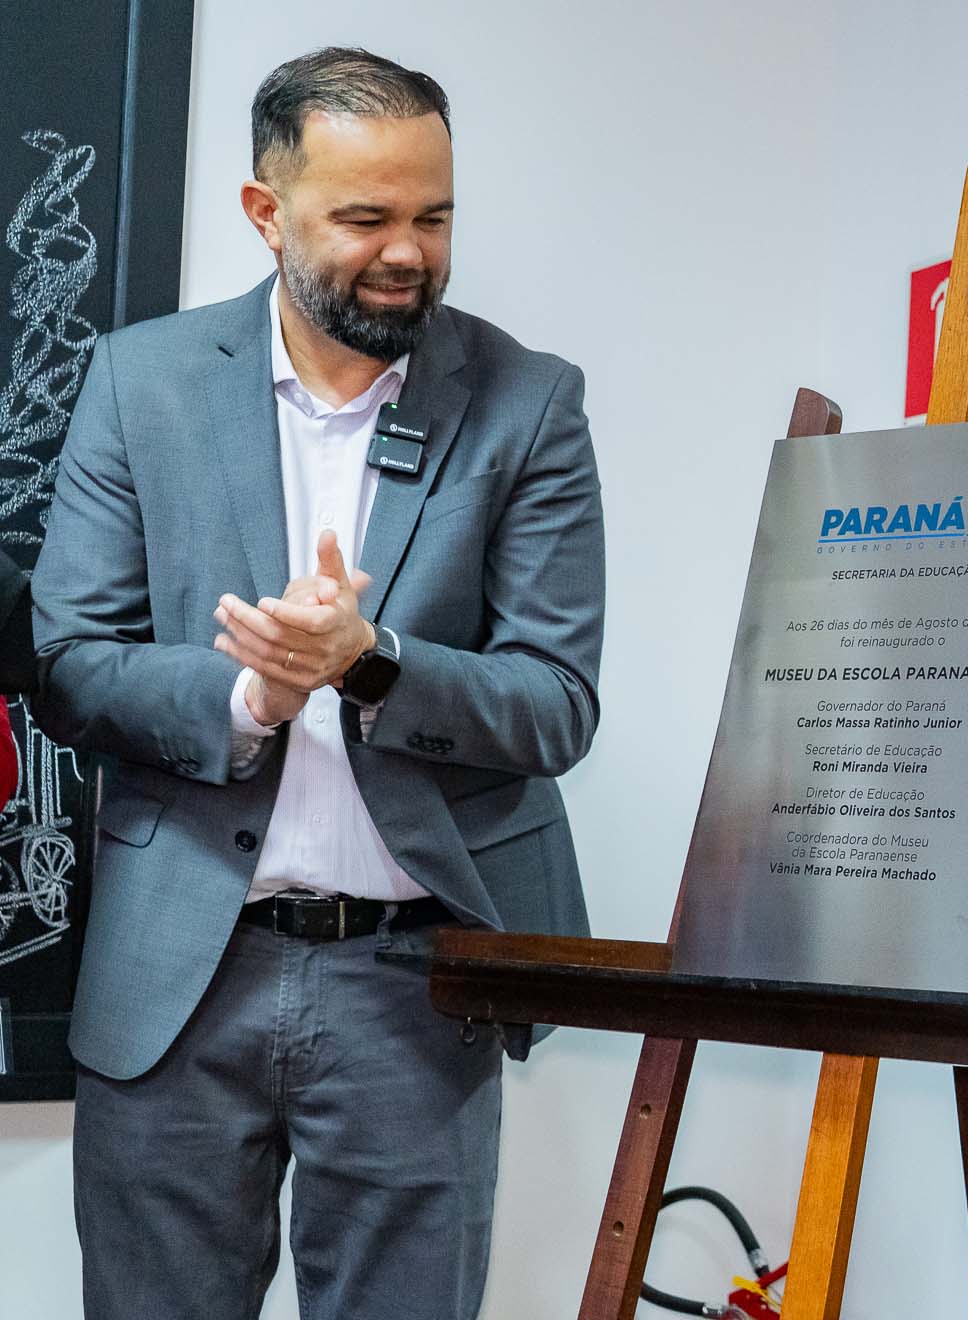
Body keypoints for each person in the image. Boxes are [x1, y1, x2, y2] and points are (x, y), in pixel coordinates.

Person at [33, 48, 604, 1319]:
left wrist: (373, 663)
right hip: (179, 976)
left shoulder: (529, 405)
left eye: (434, 215)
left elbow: (557, 700)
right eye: (366, 219)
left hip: (414, 986)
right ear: (265, 211)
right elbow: (72, 663)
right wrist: (256, 697)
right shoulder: (140, 383)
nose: (408, 252)